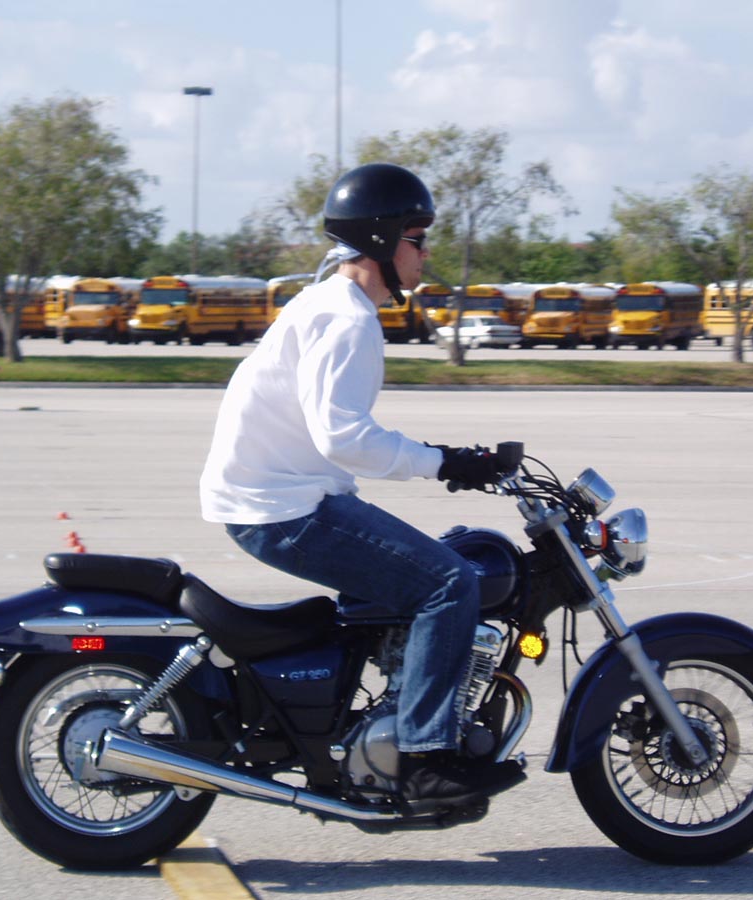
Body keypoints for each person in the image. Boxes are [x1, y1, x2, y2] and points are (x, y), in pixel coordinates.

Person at [200, 162, 524, 805]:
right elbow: (343, 438)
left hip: (283, 495)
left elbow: (337, 436)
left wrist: (449, 459)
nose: (425, 254)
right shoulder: (348, 319)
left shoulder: (327, 303)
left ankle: (376, 725)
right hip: (283, 508)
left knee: (418, 574)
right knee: (448, 583)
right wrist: (445, 463)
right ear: (382, 240)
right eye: (417, 239)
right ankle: (424, 757)